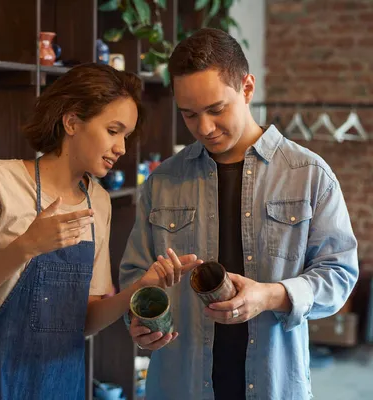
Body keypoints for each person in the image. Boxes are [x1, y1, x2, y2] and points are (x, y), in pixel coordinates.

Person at [119, 28, 359, 400]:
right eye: (189, 114)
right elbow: (135, 275)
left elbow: (339, 274)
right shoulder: (163, 181)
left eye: (216, 110)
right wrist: (137, 320)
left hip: (273, 383)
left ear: (247, 88)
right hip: (180, 385)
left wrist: (271, 295)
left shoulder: (309, 175)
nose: (204, 128)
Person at [0, 63, 202, 400]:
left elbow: (85, 321)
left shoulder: (99, 201)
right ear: (72, 121)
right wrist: (26, 247)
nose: (122, 147)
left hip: (61, 384)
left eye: (126, 135)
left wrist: (140, 287)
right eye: (113, 130)